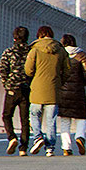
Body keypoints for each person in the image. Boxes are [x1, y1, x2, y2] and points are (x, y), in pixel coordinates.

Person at [24, 25, 70, 156]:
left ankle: (38, 137)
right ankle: (50, 148)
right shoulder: (60, 50)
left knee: (34, 115)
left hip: (37, 88)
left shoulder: (34, 50)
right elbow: (67, 70)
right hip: (53, 89)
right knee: (51, 120)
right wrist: (60, 81)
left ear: (39, 35)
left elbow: (28, 70)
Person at [55, 33, 86, 155]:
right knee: (81, 117)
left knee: (65, 120)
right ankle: (80, 136)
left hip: (63, 91)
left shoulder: (60, 55)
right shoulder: (81, 54)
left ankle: (66, 147)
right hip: (78, 91)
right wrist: (83, 83)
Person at [0, 26, 32, 155]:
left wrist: (7, 84)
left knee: (7, 115)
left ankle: (12, 137)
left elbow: (3, 70)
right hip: (26, 88)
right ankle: (23, 148)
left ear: (14, 38)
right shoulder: (31, 52)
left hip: (12, 88)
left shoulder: (9, 52)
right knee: (25, 119)